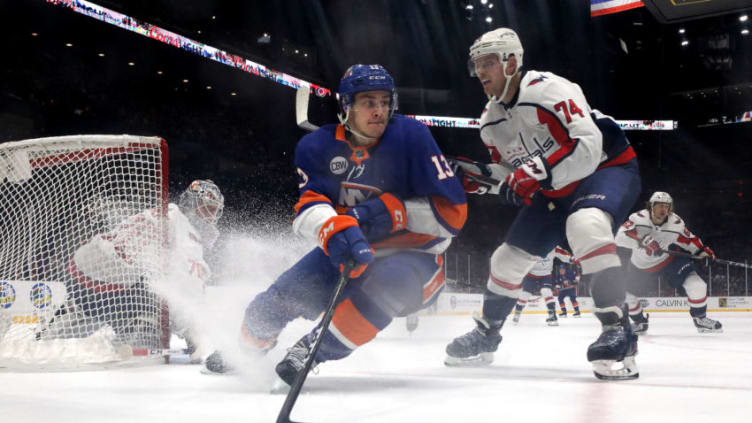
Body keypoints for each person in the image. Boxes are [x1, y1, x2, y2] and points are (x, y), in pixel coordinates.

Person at [204, 64, 467, 387]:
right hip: (349, 251)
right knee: (273, 303)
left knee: (387, 284)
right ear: (346, 106)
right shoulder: (317, 147)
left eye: (385, 102)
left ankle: (313, 350)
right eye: (369, 102)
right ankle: (244, 351)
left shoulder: (411, 137)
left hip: (415, 257)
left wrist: (378, 213)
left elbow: (452, 214)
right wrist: (335, 232)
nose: (380, 111)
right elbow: (307, 209)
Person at [444, 28, 642, 380]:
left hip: (604, 168)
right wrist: (478, 178)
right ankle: (487, 333)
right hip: (555, 188)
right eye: (477, 66)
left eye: (488, 63)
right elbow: (511, 174)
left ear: (512, 61)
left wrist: (535, 172)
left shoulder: (550, 89)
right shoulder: (489, 122)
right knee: (506, 260)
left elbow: (588, 146)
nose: (481, 73)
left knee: (585, 224)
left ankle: (617, 329)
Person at [65, 179, 224, 359]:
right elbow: (183, 287)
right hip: (110, 285)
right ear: (190, 203)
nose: (211, 218)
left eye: (215, 211)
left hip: (78, 272)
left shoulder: (168, 212)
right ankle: (139, 335)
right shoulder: (185, 232)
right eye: (207, 209)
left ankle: (67, 322)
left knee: (149, 279)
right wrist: (191, 331)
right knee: (158, 291)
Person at [615, 191, 722, 334]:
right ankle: (640, 322)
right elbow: (618, 237)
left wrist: (702, 252)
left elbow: (689, 240)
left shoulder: (676, 223)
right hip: (640, 266)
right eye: (659, 205)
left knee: (697, 285)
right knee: (626, 296)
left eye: (666, 206)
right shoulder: (638, 219)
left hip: (668, 261)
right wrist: (641, 242)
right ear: (651, 206)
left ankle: (700, 319)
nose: (663, 210)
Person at [511, 246, 572, 326]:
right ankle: (517, 312)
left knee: (546, 291)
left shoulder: (552, 247)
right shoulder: (530, 246)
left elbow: (563, 254)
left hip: (546, 274)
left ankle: (552, 315)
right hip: (531, 274)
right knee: (525, 294)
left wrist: (572, 259)